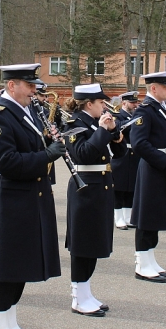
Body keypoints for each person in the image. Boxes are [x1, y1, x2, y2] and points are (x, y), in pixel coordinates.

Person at [0, 63, 65, 329]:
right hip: (9, 198)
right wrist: (46, 155)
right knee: (6, 267)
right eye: (29, 85)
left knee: (20, 265)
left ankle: (11, 323)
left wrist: (51, 142)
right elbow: (6, 162)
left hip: (29, 195)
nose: (34, 90)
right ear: (12, 85)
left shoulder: (25, 113)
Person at [62, 83, 127, 316]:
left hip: (101, 187)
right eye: (101, 103)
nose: (105, 107)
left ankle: (86, 292)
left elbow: (120, 155)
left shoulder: (92, 122)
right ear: (89, 104)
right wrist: (102, 131)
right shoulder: (74, 124)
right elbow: (83, 154)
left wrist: (115, 135)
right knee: (83, 244)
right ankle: (78, 297)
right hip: (85, 189)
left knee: (95, 242)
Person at [129, 70, 166, 281]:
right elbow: (139, 144)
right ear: (153, 88)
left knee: (155, 217)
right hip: (153, 168)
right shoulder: (145, 111)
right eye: (165, 87)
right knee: (147, 219)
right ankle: (142, 263)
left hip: (162, 168)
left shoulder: (161, 108)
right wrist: (165, 161)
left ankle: (150, 260)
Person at [110, 90, 140, 230]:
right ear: (124, 103)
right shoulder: (117, 115)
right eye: (132, 102)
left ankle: (128, 217)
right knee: (119, 188)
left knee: (131, 188)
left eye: (136, 102)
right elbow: (118, 128)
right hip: (121, 154)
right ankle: (118, 218)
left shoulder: (137, 116)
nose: (135, 105)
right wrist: (132, 122)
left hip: (134, 155)